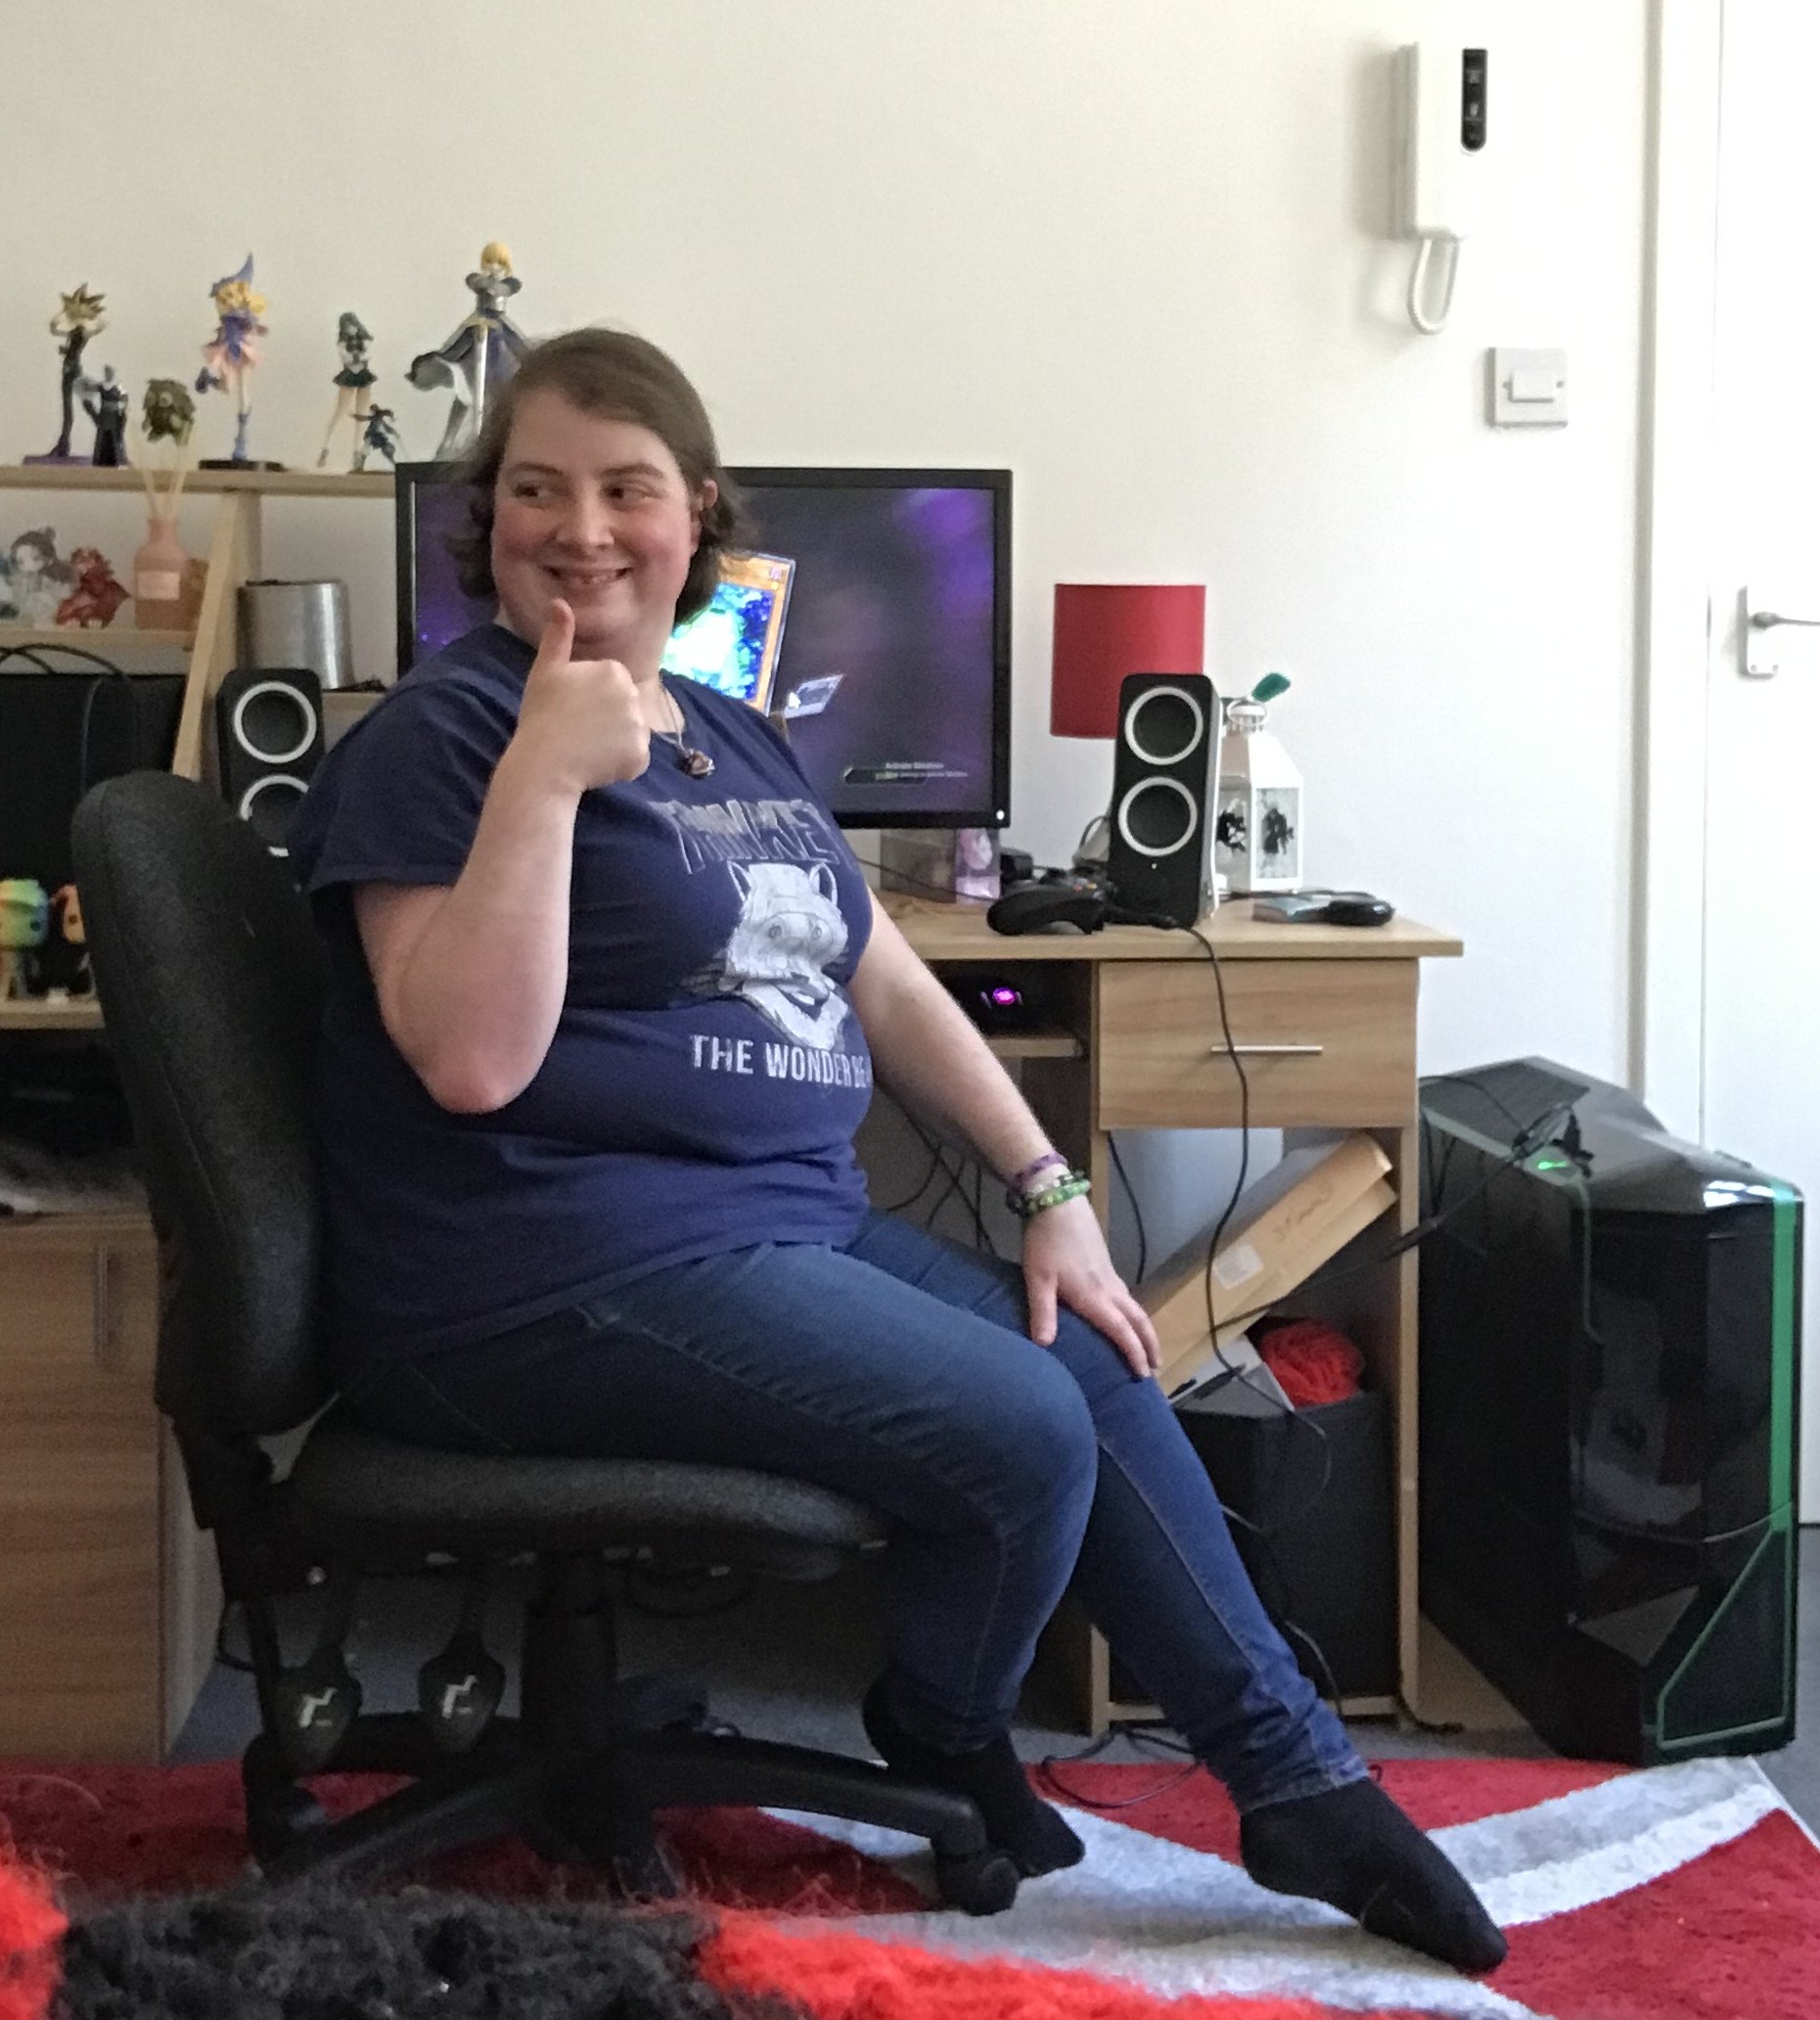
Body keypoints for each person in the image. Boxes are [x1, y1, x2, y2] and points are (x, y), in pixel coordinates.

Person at [286, 328, 1505, 1976]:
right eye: (535, 490)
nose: (581, 529)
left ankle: (1299, 1782)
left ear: (696, 512)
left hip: (768, 1229)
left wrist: (1052, 1194)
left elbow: (885, 973)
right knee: (1015, 1425)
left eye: (626, 489)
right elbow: (472, 1059)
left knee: (1089, 1351)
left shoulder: (732, 729)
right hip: (540, 1274)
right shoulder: (442, 738)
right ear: (482, 518)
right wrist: (546, 778)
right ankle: (936, 1731)